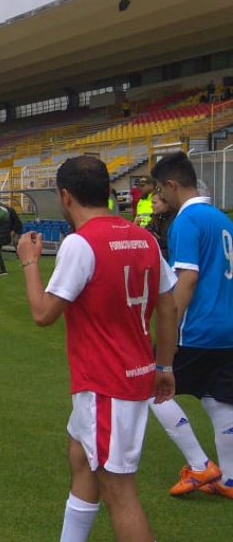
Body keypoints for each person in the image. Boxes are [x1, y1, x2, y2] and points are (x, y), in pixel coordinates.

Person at [16, 155, 177, 541]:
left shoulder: (80, 244)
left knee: (120, 492)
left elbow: (43, 313)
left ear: (65, 196)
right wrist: (165, 365)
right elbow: (168, 304)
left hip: (106, 384)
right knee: (81, 461)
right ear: (108, 191)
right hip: (129, 376)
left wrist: (29, 262)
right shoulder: (145, 238)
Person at [150, 152, 233, 499]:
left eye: (159, 189)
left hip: (196, 328)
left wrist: (170, 323)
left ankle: (200, 466)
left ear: (171, 184)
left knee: (150, 389)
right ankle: (228, 480)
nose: (159, 196)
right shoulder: (223, 219)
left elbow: (187, 277)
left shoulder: (186, 221)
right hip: (227, 328)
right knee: (219, 401)